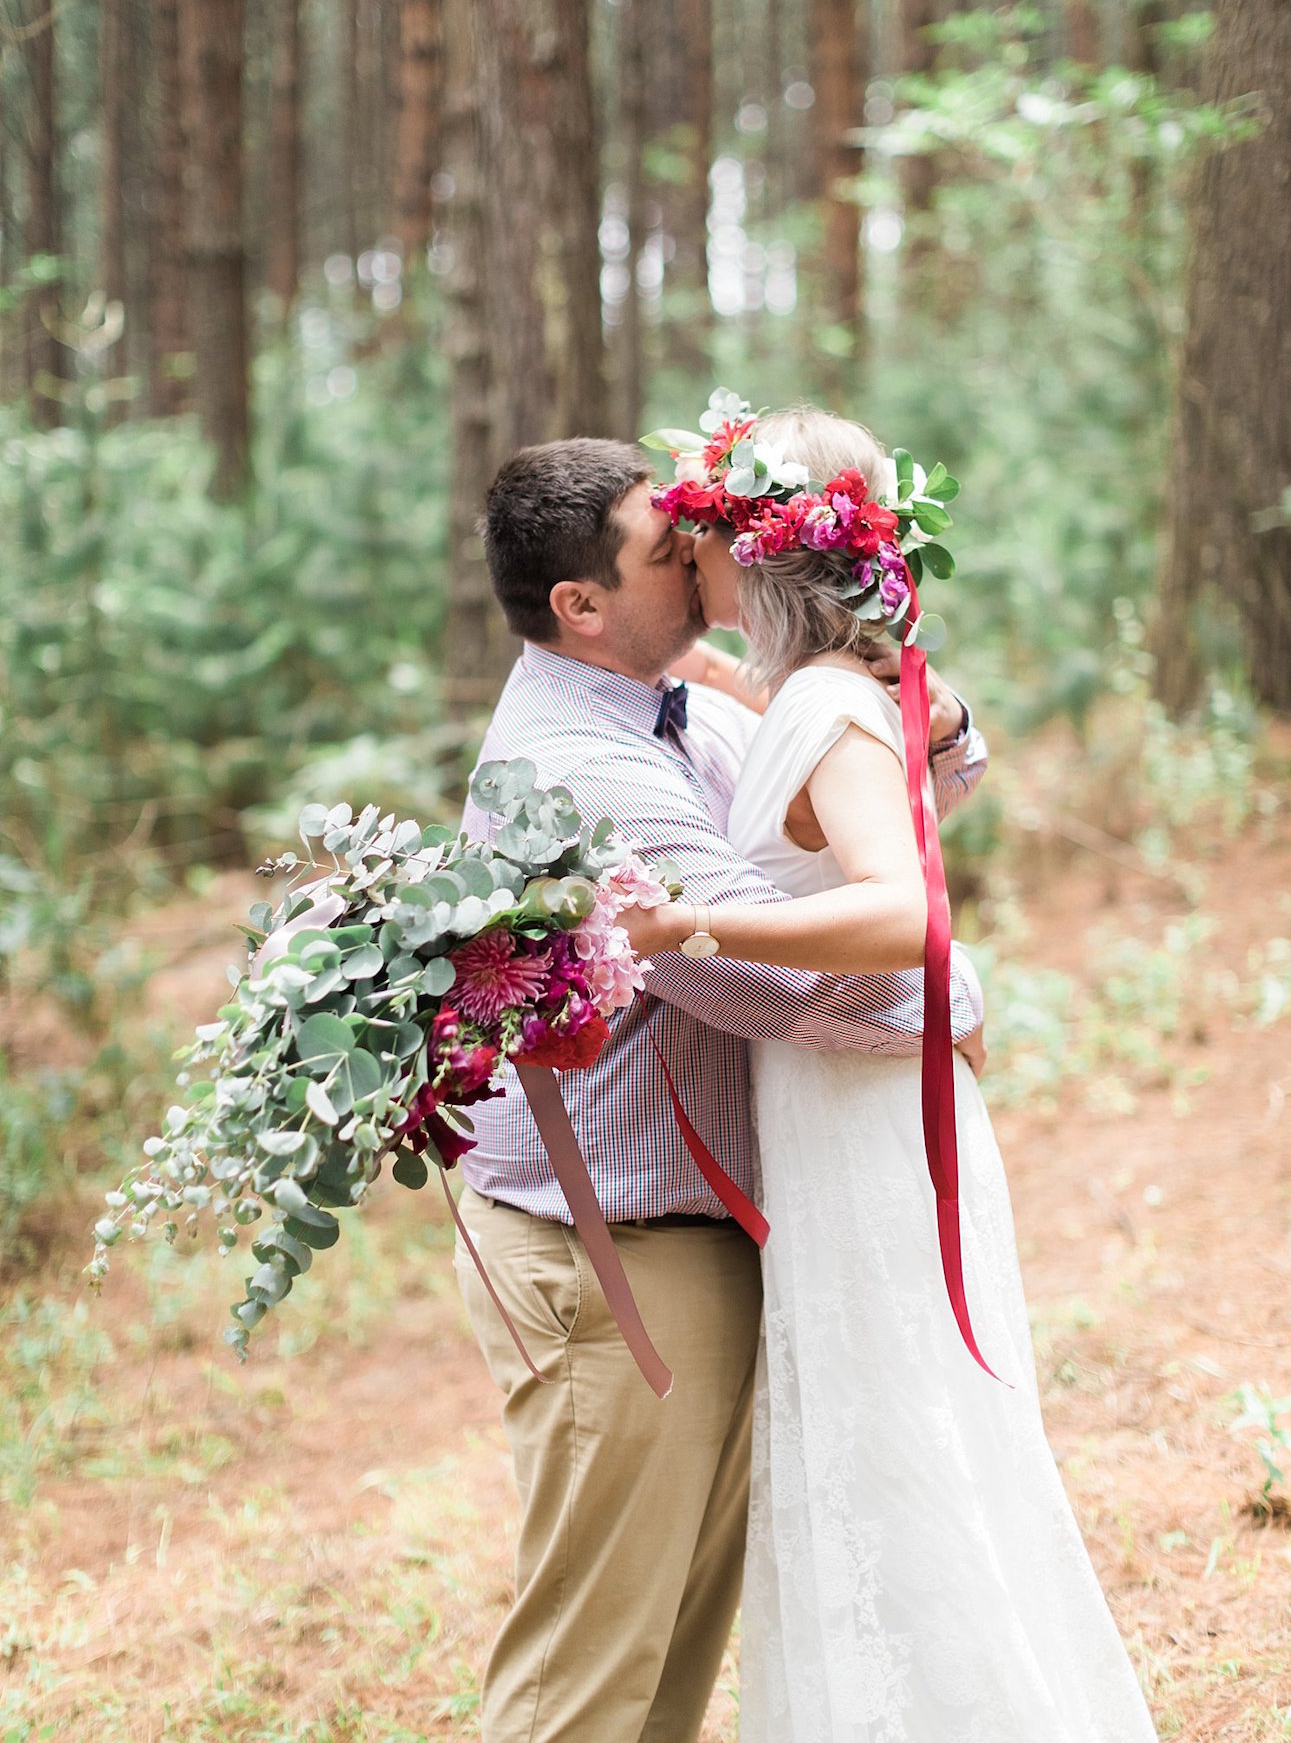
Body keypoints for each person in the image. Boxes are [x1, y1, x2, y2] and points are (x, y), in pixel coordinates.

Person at [621, 406, 1158, 1743]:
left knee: (901, 1421)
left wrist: (690, 923)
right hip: (835, 1112)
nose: (692, 563)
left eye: (707, 542)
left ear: (762, 556)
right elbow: (882, 738)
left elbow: (897, 909)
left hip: (869, 1128)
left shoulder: (822, 705)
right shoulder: (820, 693)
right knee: (873, 1424)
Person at [452, 435, 989, 1743]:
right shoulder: (589, 771)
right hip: (615, 1250)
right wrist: (958, 1007)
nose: (703, 560)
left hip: (690, 1222)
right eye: (663, 548)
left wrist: (939, 720)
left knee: (672, 1658)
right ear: (579, 604)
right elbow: (781, 981)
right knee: (589, 1677)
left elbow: (855, 818)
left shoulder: (671, 697)